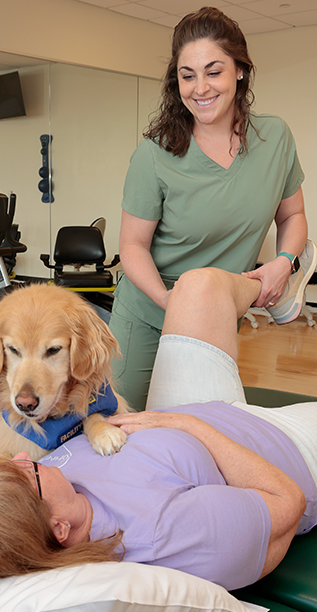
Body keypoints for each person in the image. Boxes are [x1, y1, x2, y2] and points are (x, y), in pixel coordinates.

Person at [0, 247, 317, 593]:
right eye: (28, 476)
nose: (23, 461)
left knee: (199, 285)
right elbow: (288, 505)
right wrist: (189, 427)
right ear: (59, 529)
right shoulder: (156, 531)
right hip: (280, 441)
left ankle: (277, 283)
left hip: (187, 408)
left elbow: (2, 424)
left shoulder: (41, 476)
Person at [109, 6, 308, 411]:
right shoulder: (154, 155)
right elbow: (131, 246)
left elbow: (292, 216)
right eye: (188, 75)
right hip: (148, 313)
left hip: (218, 316)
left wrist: (285, 260)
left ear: (240, 70)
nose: (200, 87)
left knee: (200, 430)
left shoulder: (275, 138)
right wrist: (177, 306)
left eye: (213, 71)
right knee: (120, 426)